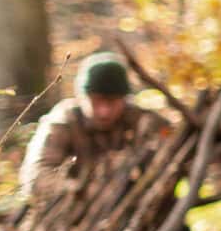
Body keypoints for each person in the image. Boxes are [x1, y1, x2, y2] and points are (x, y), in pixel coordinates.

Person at [18, 52, 162, 199]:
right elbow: (35, 176)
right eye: (96, 101)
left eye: (112, 102)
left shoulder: (141, 120)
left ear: (124, 99)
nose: (104, 111)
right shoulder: (63, 122)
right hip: (72, 215)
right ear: (81, 97)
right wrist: (80, 191)